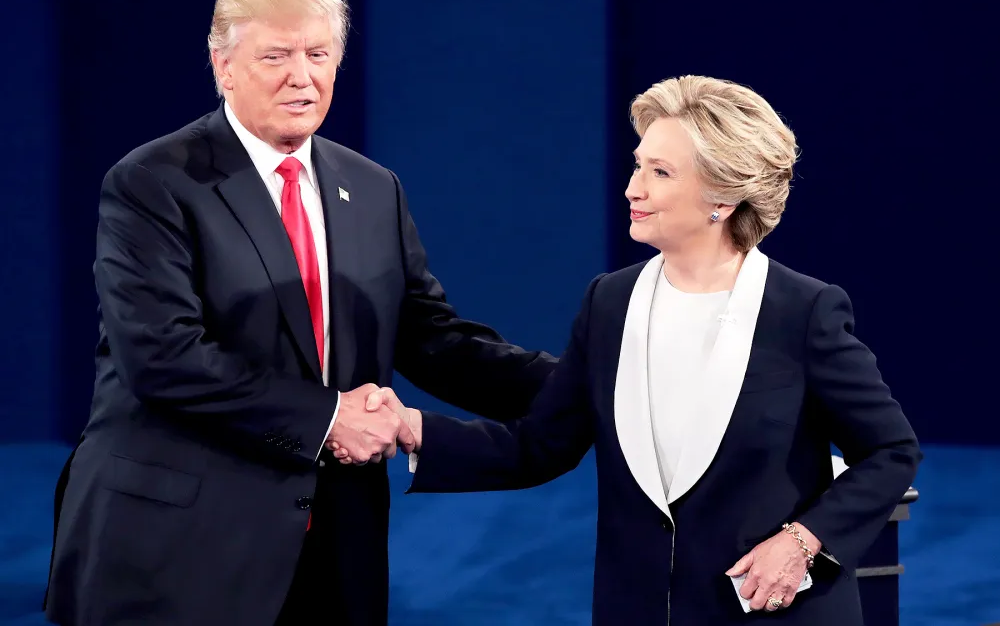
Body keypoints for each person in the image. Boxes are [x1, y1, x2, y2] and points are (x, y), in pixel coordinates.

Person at [43, 0, 556, 626]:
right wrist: (328, 417)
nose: (302, 75)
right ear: (223, 65)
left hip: (336, 545)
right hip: (181, 548)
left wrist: (585, 382)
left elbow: (432, 339)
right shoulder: (154, 182)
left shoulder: (373, 188)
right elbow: (162, 355)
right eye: (276, 55)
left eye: (318, 54)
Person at [347, 75, 922, 625]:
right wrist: (415, 428)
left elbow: (891, 451)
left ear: (721, 194)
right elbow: (541, 446)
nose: (633, 188)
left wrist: (803, 542)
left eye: (661, 172)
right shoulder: (610, 302)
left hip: (769, 614)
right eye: (637, 165)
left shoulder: (803, 311)